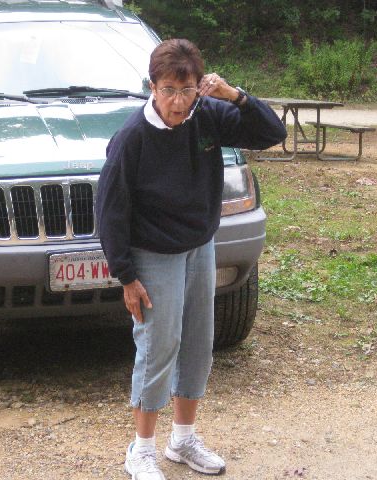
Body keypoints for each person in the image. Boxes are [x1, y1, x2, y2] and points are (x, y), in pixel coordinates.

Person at [97, 38, 287, 479]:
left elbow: (271, 134)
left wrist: (234, 96)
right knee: (158, 346)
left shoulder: (207, 116)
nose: (178, 102)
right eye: (168, 90)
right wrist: (125, 275)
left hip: (199, 246)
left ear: (199, 87)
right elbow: (110, 210)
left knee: (198, 343)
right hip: (152, 252)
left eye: (186, 90)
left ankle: (182, 440)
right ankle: (142, 448)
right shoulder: (132, 138)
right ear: (153, 87)